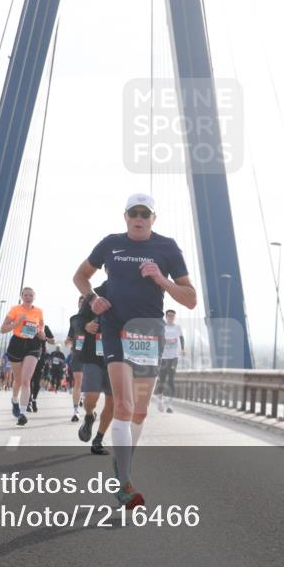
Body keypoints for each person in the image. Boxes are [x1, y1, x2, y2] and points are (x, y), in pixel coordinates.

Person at [73, 193, 196, 508]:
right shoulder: (110, 244)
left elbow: (190, 298)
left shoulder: (167, 248)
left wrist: (161, 279)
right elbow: (81, 276)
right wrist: (92, 300)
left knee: (140, 410)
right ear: (125, 216)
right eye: (133, 212)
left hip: (148, 329)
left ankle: (122, 464)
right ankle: (125, 481)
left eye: (145, 213)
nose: (138, 217)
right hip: (114, 328)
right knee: (124, 406)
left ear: (154, 218)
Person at [0, 287, 47, 426]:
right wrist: (17, 322)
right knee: (18, 381)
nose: (28, 297)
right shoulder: (15, 309)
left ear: (34, 296)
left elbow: (41, 328)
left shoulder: (39, 311)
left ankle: (22, 413)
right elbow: (3, 329)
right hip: (17, 344)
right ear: (21, 296)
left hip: (33, 345)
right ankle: (14, 399)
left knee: (26, 380)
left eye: (30, 295)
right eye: (25, 295)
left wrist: (42, 334)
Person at [75, 286, 113, 455]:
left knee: (112, 403)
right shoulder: (94, 295)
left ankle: (98, 440)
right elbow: (76, 320)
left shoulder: (131, 293)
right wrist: (86, 325)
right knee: (91, 399)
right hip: (94, 356)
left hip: (118, 358)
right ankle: (90, 415)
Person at [156, 309, 184, 413]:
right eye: (169, 316)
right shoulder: (163, 327)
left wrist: (183, 349)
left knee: (171, 380)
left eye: (173, 316)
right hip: (163, 357)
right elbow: (158, 339)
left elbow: (181, 338)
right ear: (166, 317)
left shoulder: (178, 328)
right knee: (162, 380)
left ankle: (170, 405)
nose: (171, 317)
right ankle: (160, 400)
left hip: (174, 357)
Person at [66, 295, 87, 422]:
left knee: (88, 382)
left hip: (92, 354)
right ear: (78, 304)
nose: (82, 303)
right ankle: (75, 411)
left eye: (85, 302)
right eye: (81, 301)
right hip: (78, 354)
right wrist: (68, 341)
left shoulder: (96, 317)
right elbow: (70, 335)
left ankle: (85, 401)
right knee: (78, 381)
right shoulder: (73, 319)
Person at [27, 324, 55, 412]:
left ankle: (34, 399)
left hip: (40, 357)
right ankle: (29, 401)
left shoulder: (45, 327)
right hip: (29, 355)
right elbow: (22, 337)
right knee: (29, 379)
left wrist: (45, 338)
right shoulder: (30, 325)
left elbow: (53, 341)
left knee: (37, 379)